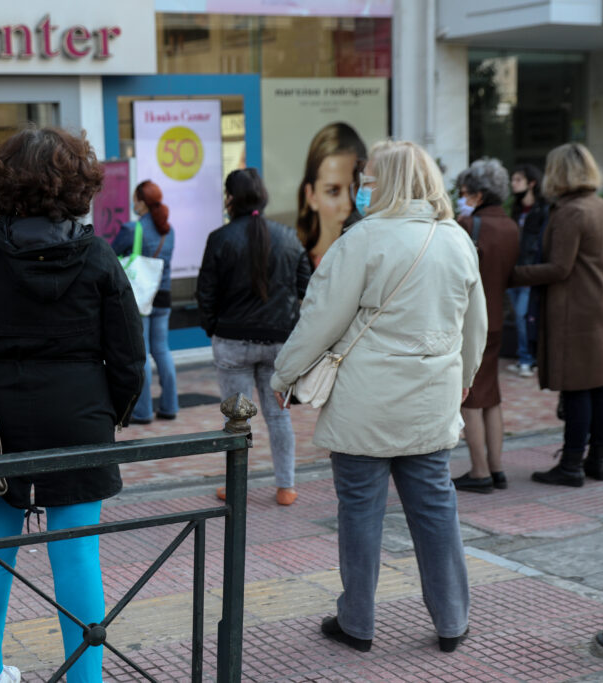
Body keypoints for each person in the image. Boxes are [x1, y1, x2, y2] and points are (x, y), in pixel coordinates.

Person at [0, 126, 144, 683]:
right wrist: (110, 415)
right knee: (76, 556)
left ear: (5, 183)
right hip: (78, 421)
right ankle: (84, 677)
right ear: (78, 184)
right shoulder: (97, 257)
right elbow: (128, 357)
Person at [271, 141, 487, 654]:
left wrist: (285, 376)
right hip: (431, 401)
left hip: (364, 403)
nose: (362, 190)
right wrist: (464, 379)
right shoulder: (457, 240)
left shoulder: (362, 240)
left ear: (384, 183)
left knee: (360, 514)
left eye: (367, 181)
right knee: (436, 512)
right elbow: (475, 327)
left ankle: (358, 622)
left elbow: (319, 320)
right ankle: (452, 619)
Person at [196, 168, 311, 506]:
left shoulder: (220, 238)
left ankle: (236, 486)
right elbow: (307, 287)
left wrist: (213, 327)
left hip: (232, 342)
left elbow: (206, 293)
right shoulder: (288, 237)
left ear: (230, 198)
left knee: (236, 418)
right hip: (279, 342)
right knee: (279, 416)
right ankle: (286, 486)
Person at [512, 143, 603, 487]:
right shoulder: (601, 206)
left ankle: (572, 465)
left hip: (576, 314)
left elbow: (559, 268)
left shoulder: (572, 211)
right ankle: (596, 462)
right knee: (599, 388)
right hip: (601, 309)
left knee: (576, 390)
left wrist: (511, 274)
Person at [452, 159, 520, 494]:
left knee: (470, 397)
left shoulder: (467, 224)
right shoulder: (510, 225)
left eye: (464, 192)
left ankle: (479, 472)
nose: (461, 198)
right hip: (498, 316)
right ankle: (497, 468)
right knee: (491, 397)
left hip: (470, 320)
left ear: (478, 194)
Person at [111, 180, 178, 424]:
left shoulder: (132, 229)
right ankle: (170, 406)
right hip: (164, 294)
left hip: (141, 296)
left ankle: (143, 411)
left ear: (142, 203)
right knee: (162, 350)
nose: (133, 204)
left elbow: (112, 254)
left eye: (135, 199)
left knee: (143, 352)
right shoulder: (168, 230)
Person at [296, 122, 368, 269]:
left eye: (357, 187)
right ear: (311, 196)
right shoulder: (295, 265)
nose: (348, 205)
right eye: (333, 191)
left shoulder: (376, 261)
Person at [506, 164, 550, 377]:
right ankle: (524, 356)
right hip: (513, 270)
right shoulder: (515, 209)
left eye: (518, 180)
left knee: (524, 316)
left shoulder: (542, 210)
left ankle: (528, 358)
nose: (513, 184)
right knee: (518, 317)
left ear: (531, 183)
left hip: (529, 271)